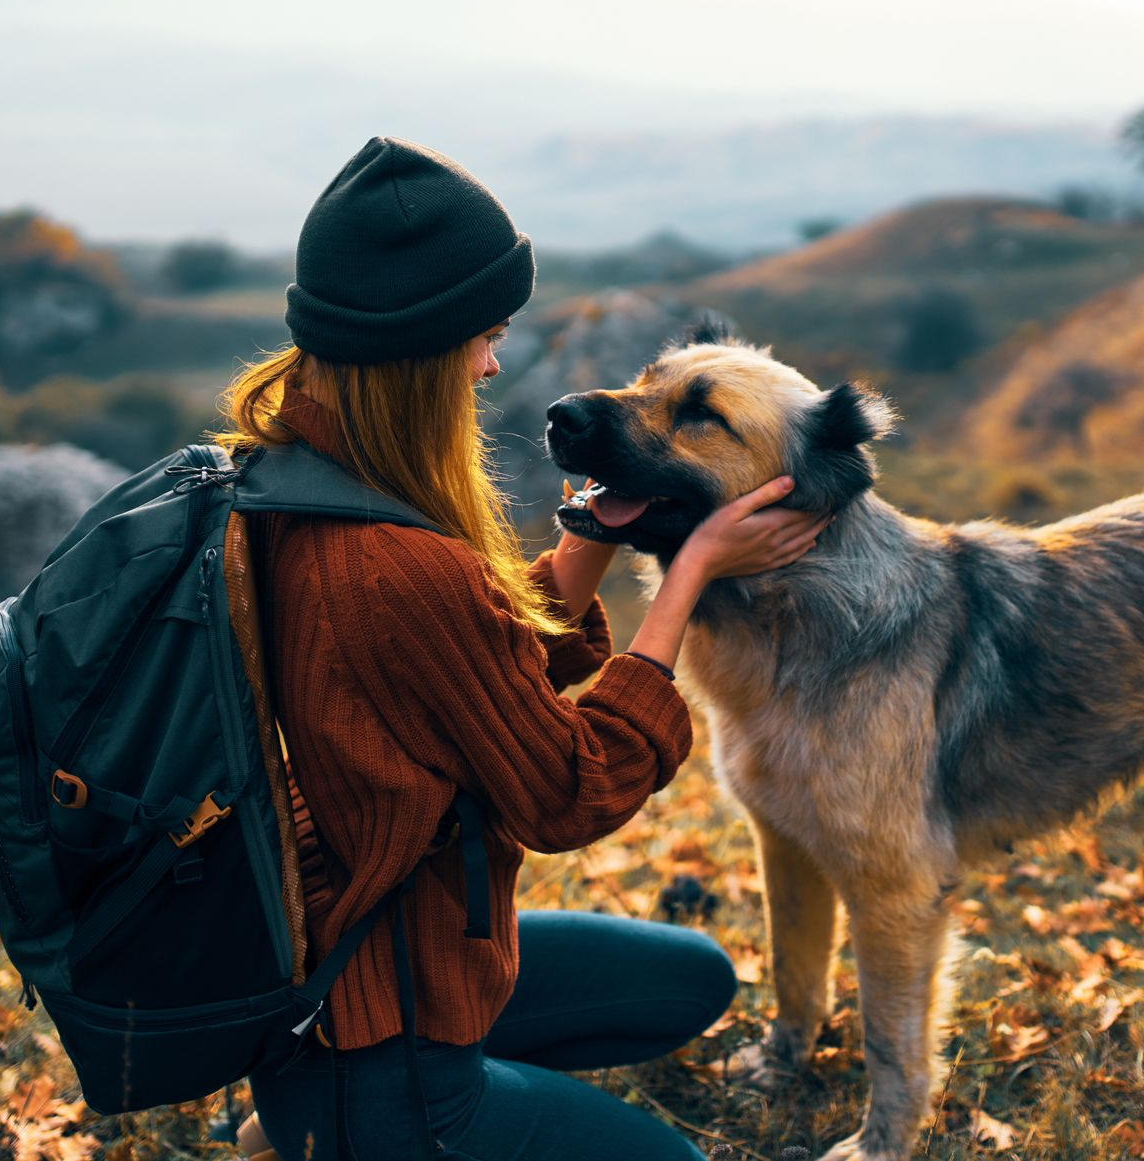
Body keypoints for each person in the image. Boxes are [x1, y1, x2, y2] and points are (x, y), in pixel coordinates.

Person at [218, 136, 829, 1160]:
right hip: (385, 1036)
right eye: (484, 335)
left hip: (368, 952)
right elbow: (567, 793)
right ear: (417, 346)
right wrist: (689, 574)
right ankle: (356, 1131)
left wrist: (587, 538)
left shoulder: (291, 476)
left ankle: (313, 1116)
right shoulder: (387, 559)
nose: (495, 362)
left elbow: (458, 674)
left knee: (692, 980)